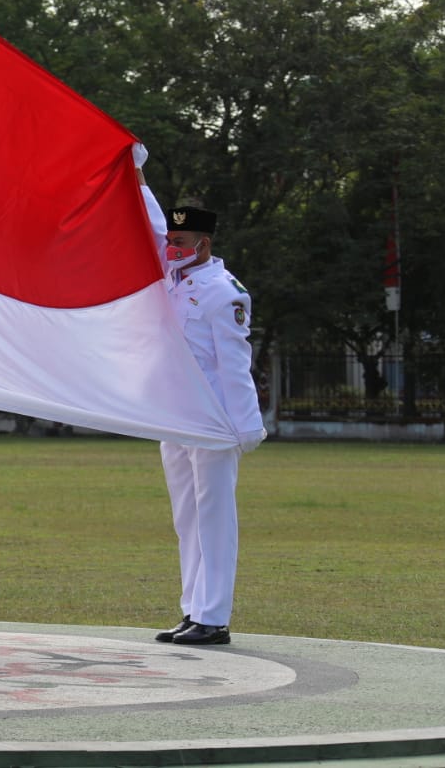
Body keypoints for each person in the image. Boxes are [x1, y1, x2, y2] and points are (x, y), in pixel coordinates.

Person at [139, 167, 266, 647]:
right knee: (186, 516)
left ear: (205, 245)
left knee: (214, 515)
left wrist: (245, 426)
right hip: (176, 414)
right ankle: (192, 610)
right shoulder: (173, 277)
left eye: (183, 240)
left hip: (214, 419)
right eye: (173, 239)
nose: (173, 247)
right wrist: (139, 175)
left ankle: (214, 617)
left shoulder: (223, 292)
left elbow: (235, 364)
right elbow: (149, 227)